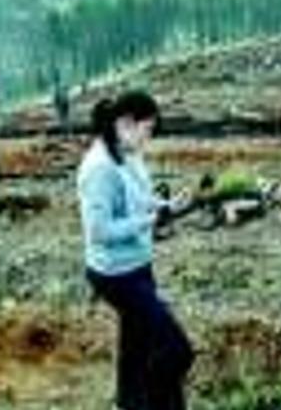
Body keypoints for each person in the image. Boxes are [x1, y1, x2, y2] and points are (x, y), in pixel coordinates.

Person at [78, 91, 194, 410]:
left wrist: (167, 206)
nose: (149, 139)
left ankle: (129, 402)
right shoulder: (98, 168)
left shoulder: (127, 154)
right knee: (176, 350)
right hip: (115, 274)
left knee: (136, 345)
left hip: (138, 266)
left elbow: (140, 200)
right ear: (126, 124)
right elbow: (99, 231)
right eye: (147, 130)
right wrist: (149, 220)